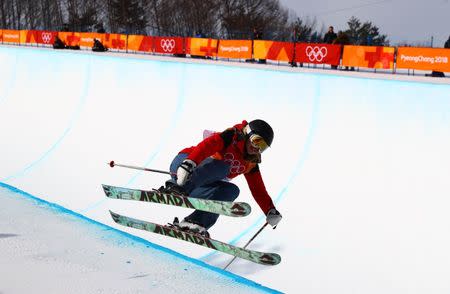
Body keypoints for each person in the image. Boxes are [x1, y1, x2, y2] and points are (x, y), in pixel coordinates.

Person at [161, 119, 282, 237]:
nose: (257, 148)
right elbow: (208, 145)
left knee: (231, 190)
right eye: (256, 141)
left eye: (262, 147)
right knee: (223, 167)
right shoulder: (232, 136)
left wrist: (270, 211)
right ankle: (178, 188)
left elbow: (258, 189)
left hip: (199, 184)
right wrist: (189, 163)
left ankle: (195, 222)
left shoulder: (250, 162)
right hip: (185, 165)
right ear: (247, 133)